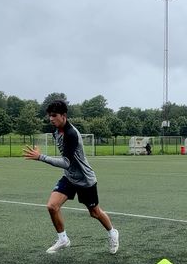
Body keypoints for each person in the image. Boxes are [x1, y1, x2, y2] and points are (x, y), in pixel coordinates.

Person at [23, 100, 119, 254]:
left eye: (54, 116)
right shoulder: (56, 131)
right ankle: (63, 239)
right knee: (52, 206)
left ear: (64, 116)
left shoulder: (71, 134)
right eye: (49, 116)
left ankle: (112, 233)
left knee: (95, 212)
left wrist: (41, 157)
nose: (51, 119)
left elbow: (66, 162)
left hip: (85, 179)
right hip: (69, 177)